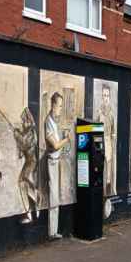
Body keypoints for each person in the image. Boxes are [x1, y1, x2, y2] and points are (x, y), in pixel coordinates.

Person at [45, 92, 71, 239]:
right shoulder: (48, 122)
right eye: (60, 106)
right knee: (53, 196)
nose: (61, 109)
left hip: (56, 161)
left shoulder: (53, 121)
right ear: (54, 105)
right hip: (52, 162)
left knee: (57, 195)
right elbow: (55, 145)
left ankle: (54, 231)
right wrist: (66, 139)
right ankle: (52, 232)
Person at [13, 108, 39, 224]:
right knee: (22, 183)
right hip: (28, 161)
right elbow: (20, 152)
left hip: (32, 162)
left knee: (24, 181)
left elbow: (25, 144)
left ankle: (35, 200)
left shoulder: (31, 132)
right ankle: (29, 210)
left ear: (28, 121)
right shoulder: (25, 132)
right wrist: (17, 134)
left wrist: (17, 135)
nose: (23, 123)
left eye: (24, 121)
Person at [95, 85, 116, 196]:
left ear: (110, 97)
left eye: (107, 95)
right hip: (100, 140)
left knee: (108, 164)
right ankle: (99, 189)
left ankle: (107, 190)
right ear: (102, 97)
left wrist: (112, 142)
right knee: (100, 165)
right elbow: (94, 128)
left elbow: (113, 131)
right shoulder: (98, 112)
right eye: (104, 95)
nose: (106, 98)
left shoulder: (112, 114)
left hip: (108, 141)